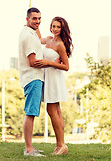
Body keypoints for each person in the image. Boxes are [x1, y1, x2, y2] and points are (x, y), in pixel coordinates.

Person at [18, 8, 61, 157]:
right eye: (34, 18)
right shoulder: (29, 36)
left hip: (34, 78)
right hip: (33, 77)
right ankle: (28, 149)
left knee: (31, 112)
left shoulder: (30, 33)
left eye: (39, 18)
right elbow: (32, 62)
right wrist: (51, 63)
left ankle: (30, 147)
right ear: (27, 19)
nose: (37, 21)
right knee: (30, 113)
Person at [34, 16, 74, 155]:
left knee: (52, 110)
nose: (55, 29)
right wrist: (35, 24)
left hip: (55, 79)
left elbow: (66, 66)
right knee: (56, 111)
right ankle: (61, 146)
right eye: (53, 26)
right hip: (48, 78)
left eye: (58, 26)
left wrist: (48, 63)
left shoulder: (60, 45)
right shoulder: (48, 39)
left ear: (62, 28)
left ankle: (60, 145)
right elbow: (38, 39)